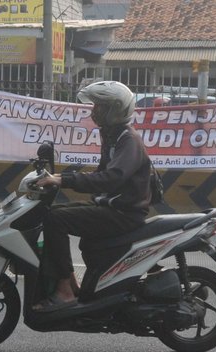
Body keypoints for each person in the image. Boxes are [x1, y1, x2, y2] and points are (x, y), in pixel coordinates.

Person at [33, 81, 151, 311]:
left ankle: (65, 290)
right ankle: (70, 282)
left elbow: (112, 178)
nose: (93, 111)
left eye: (99, 106)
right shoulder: (113, 136)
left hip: (123, 213)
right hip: (112, 207)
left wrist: (64, 180)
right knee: (51, 213)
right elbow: (101, 175)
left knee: (55, 220)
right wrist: (60, 177)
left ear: (113, 110)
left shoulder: (128, 140)